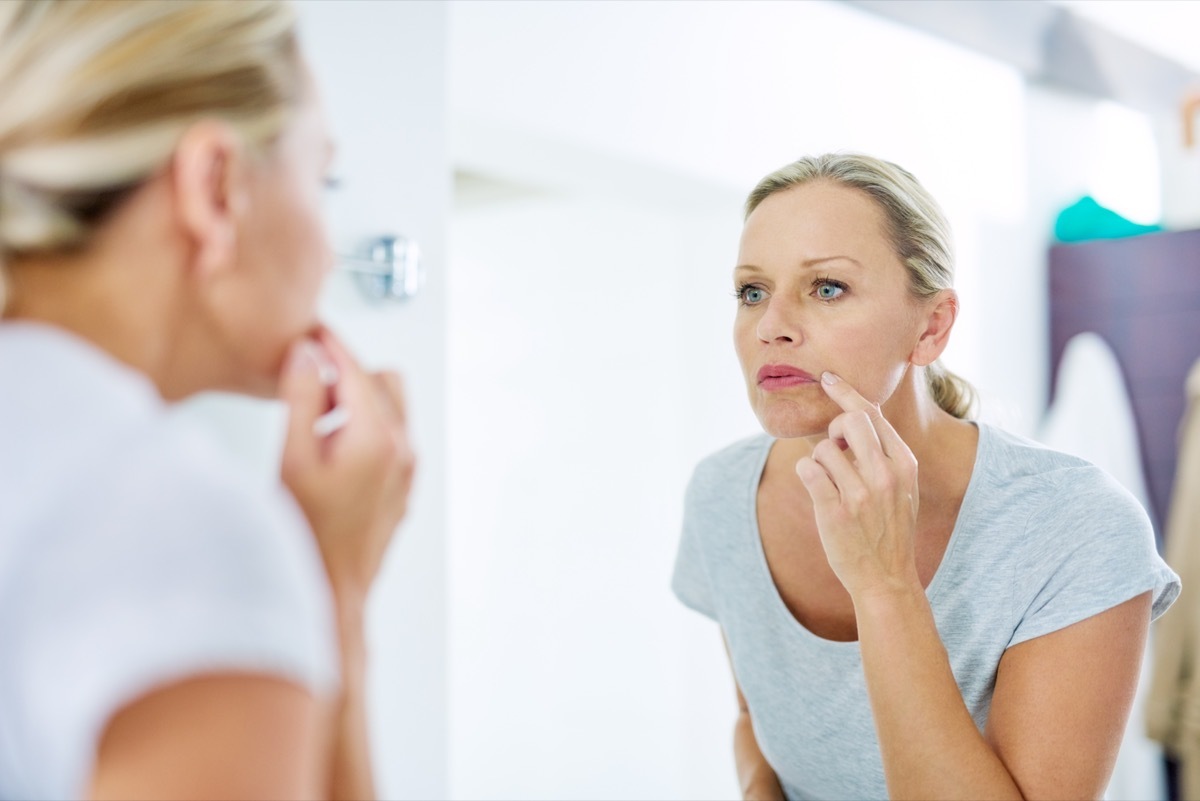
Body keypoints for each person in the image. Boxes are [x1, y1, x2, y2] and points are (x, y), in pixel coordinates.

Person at [671, 153, 1181, 800]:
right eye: (752, 292)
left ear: (931, 326)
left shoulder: (1076, 527)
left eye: (826, 287)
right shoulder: (722, 496)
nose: (771, 327)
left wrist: (885, 585)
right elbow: (755, 720)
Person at [0, 1, 413, 798]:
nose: (330, 253)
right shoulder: (170, 523)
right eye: (321, 179)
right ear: (215, 186)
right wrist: (332, 589)